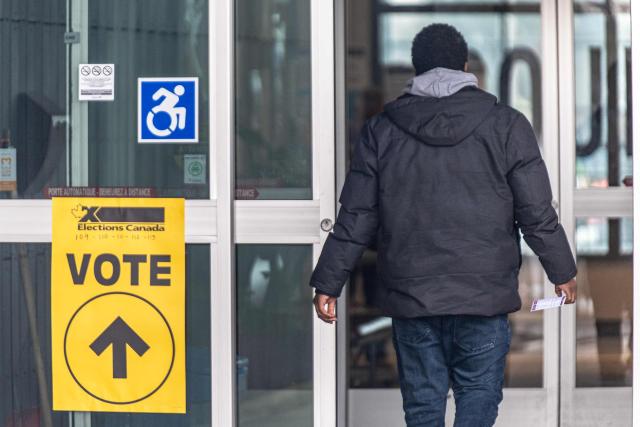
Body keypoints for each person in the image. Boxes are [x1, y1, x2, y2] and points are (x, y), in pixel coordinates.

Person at [309, 23, 577, 427]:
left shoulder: (381, 130)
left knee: (423, 408)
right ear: (466, 66)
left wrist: (328, 282)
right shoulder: (507, 125)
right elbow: (535, 211)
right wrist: (563, 271)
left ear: (415, 70)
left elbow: (357, 215)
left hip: (412, 297)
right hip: (483, 297)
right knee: (478, 403)